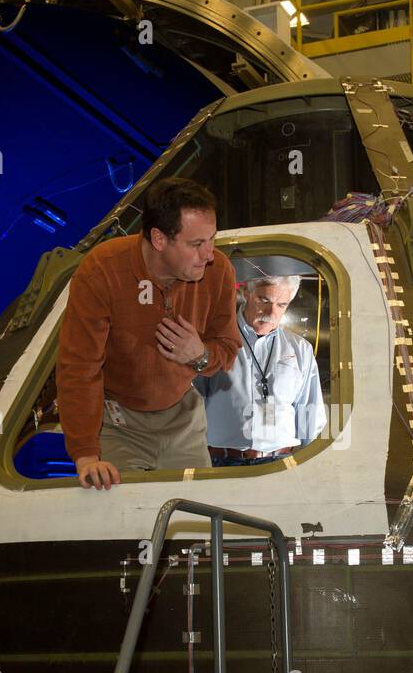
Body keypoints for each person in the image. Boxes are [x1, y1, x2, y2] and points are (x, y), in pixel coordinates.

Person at [56, 178, 241, 489]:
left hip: (184, 420)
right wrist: (86, 453)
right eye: (196, 244)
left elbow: (227, 352)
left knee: (198, 520)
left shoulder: (219, 271)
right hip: (118, 425)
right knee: (125, 524)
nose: (209, 254)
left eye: (212, 239)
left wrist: (200, 355)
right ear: (158, 239)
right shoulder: (102, 269)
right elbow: (79, 366)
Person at [198, 263, 327, 467]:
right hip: (221, 463)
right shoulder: (213, 340)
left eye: (281, 304)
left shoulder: (300, 349)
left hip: (281, 464)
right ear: (245, 293)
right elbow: (192, 403)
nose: (271, 312)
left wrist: (314, 465)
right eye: (264, 300)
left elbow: (310, 411)